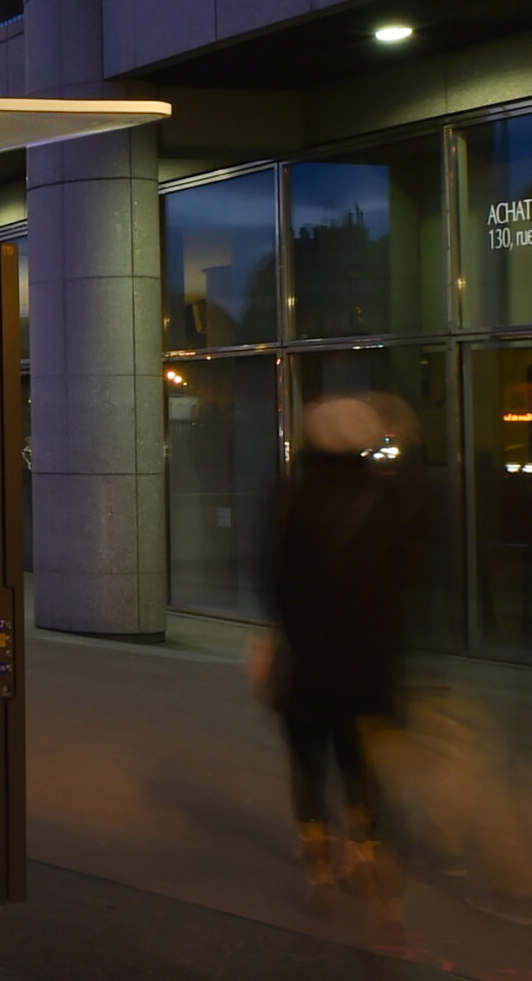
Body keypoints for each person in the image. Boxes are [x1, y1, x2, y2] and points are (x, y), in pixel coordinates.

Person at [265, 393, 426, 930]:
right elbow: (410, 581)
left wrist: (287, 632)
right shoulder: (388, 502)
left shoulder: (293, 499)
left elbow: (273, 579)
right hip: (370, 657)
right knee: (360, 755)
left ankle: (318, 866)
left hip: (310, 655)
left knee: (307, 757)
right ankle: (364, 848)